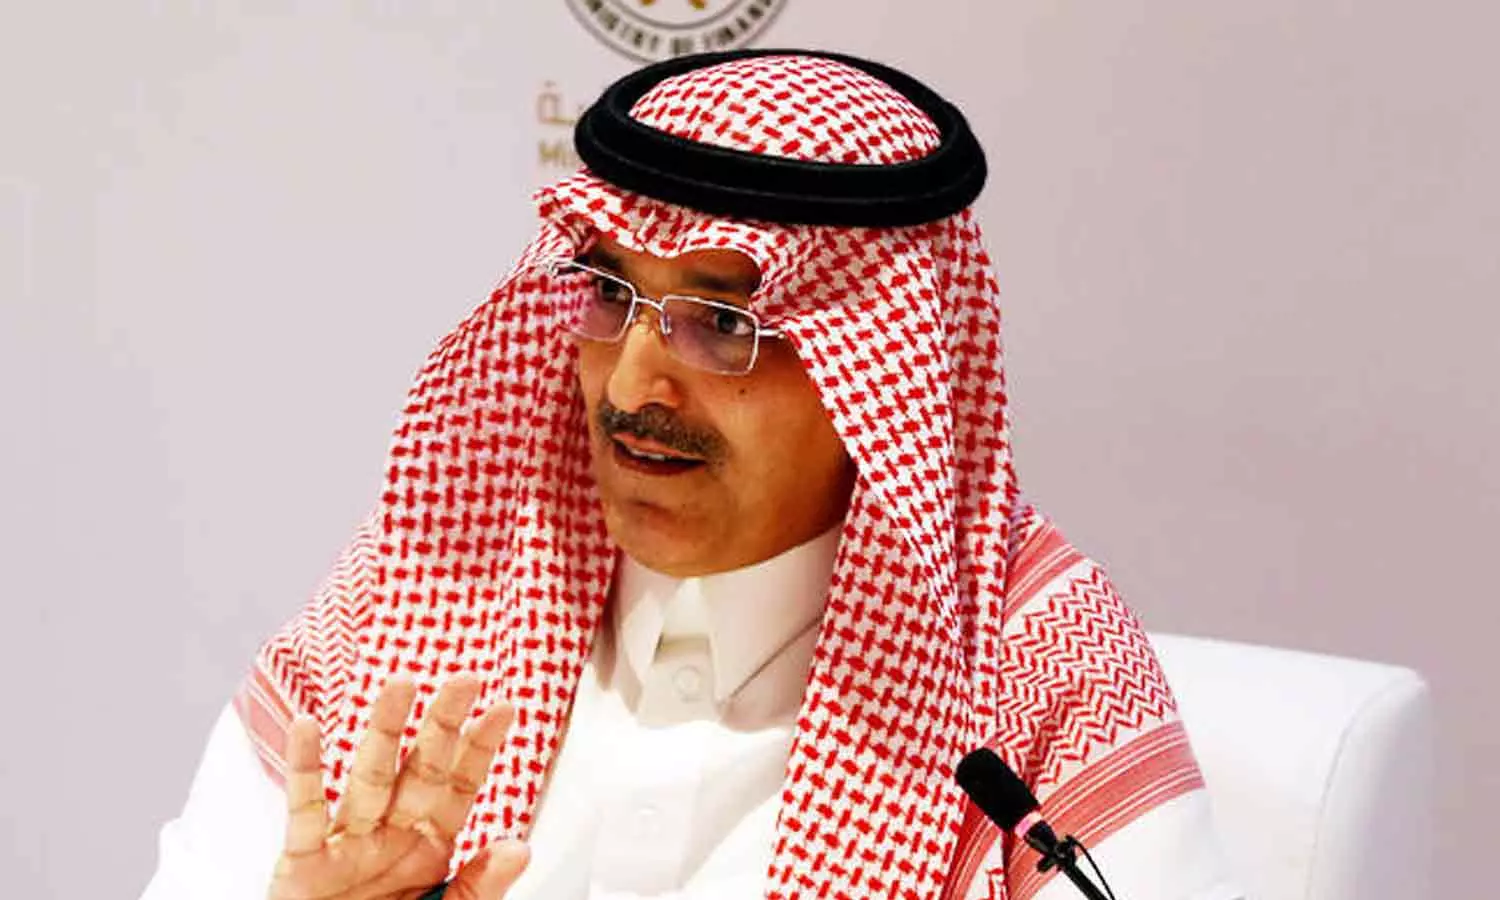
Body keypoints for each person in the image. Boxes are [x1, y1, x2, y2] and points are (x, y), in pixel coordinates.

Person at [141, 49, 1242, 900]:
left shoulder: (1041, 679)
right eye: (608, 294)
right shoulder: (423, 589)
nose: (630, 386)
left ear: (887, 368)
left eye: (721, 323)